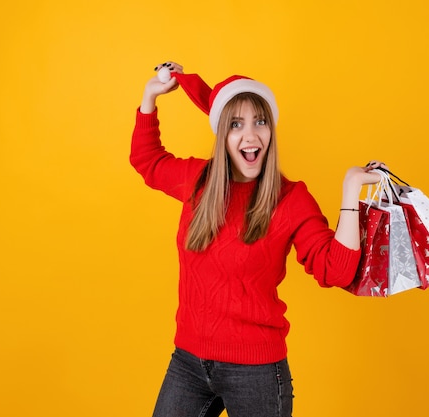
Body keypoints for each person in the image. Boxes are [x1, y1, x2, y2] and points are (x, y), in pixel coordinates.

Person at [130, 61, 385, 417]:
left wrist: (351, 190)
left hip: (257, 372)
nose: (250, 136)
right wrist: (149, 98)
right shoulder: (198, 183)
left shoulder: (290, 199)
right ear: (222, 134)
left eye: (259, 122)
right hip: (188, 361)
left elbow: (336, 271)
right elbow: (147, 161)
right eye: (236, 125)